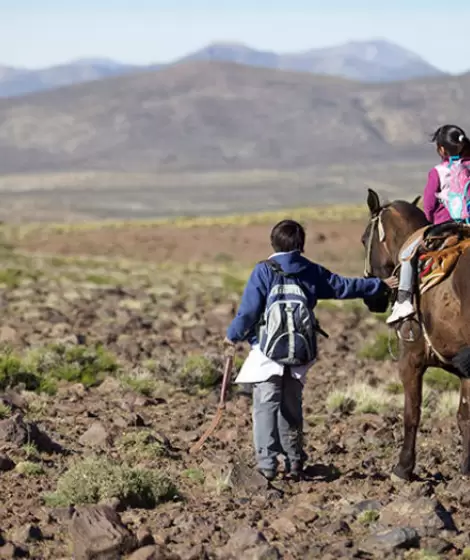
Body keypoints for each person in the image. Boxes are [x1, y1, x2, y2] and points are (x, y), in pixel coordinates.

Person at [224, 219, 396, 481]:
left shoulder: (264, 271)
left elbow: (248, 312)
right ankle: (294, 462)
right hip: (299, 354)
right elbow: (343, 287)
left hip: (267, 354)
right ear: (300, 245)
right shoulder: (310, 270)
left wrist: (232, 336)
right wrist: (380, 285)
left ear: (274, 242)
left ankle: (267, 465)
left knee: (265, 406)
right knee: (292, 408)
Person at [387, 125, 470, 325]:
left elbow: (429, 205)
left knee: (407, 254)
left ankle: (404, 300)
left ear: (442, 150)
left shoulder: (438, 172)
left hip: (447, 226)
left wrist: (432, 220)